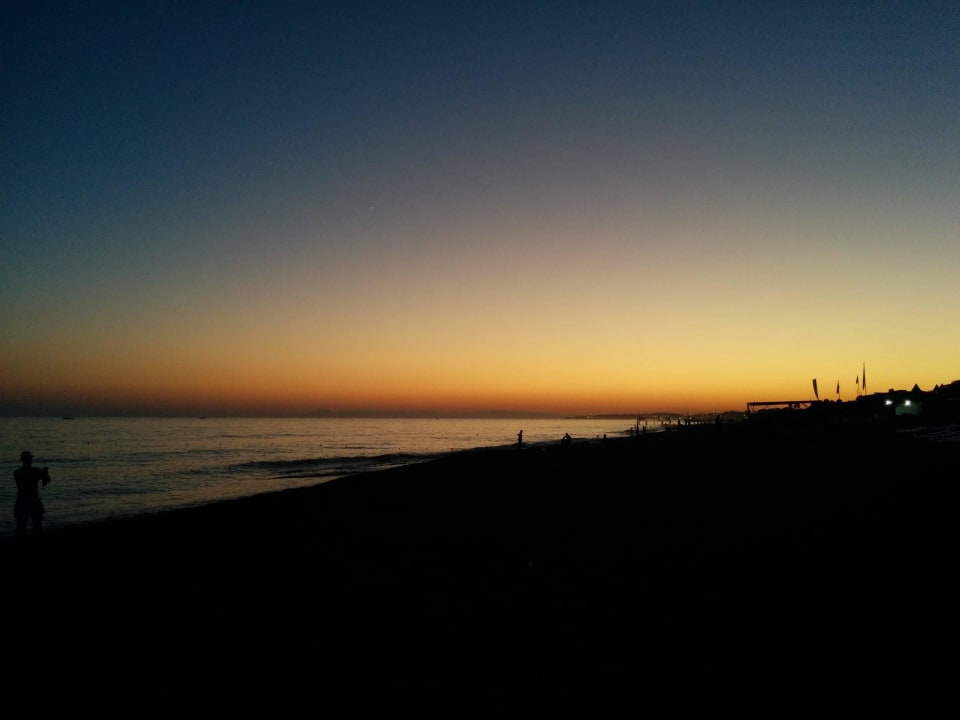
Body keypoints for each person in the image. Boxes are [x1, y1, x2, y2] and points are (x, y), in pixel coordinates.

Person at [14, 451, 51, 537]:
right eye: (29, 459)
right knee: (31, 527)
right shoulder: (29, 471)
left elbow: (47, 480)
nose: (30, 461)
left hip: (25, 501)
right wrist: (44, 475)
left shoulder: (18, 472)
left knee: (23, 527)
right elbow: (45, 480)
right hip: (30, 501)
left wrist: (45, 474)